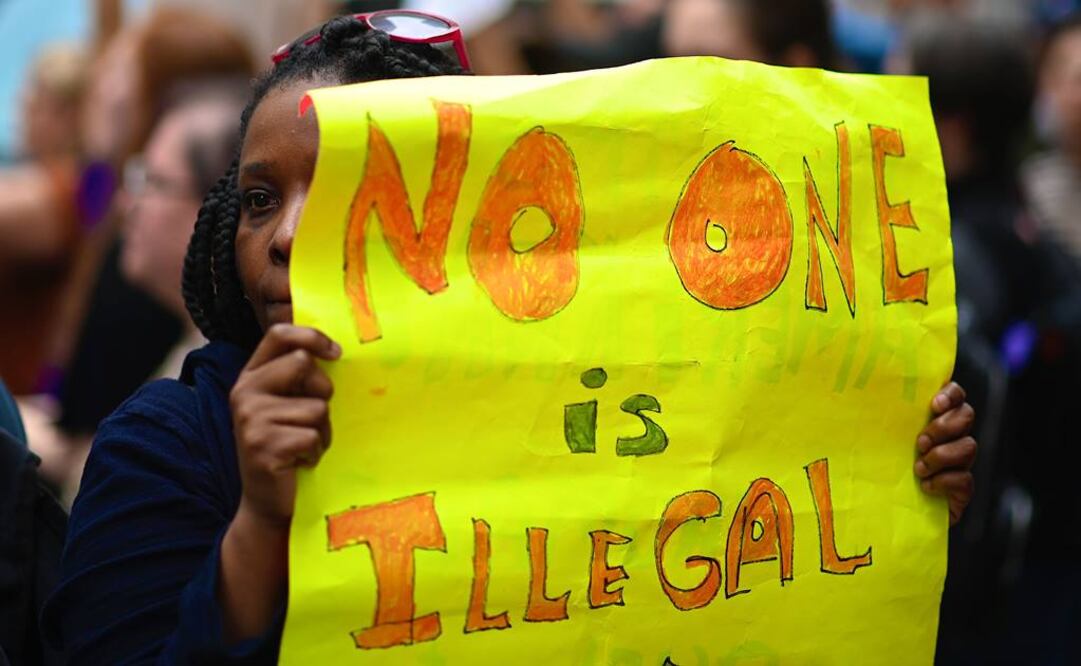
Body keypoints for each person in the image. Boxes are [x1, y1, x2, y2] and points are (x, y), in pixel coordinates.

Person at [43, 13, 978, 664]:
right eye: (257, 199)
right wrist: (261, 522)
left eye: (344, 191)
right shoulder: (167, 444)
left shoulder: (587, 419)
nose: (286, 234)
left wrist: (887, 491)